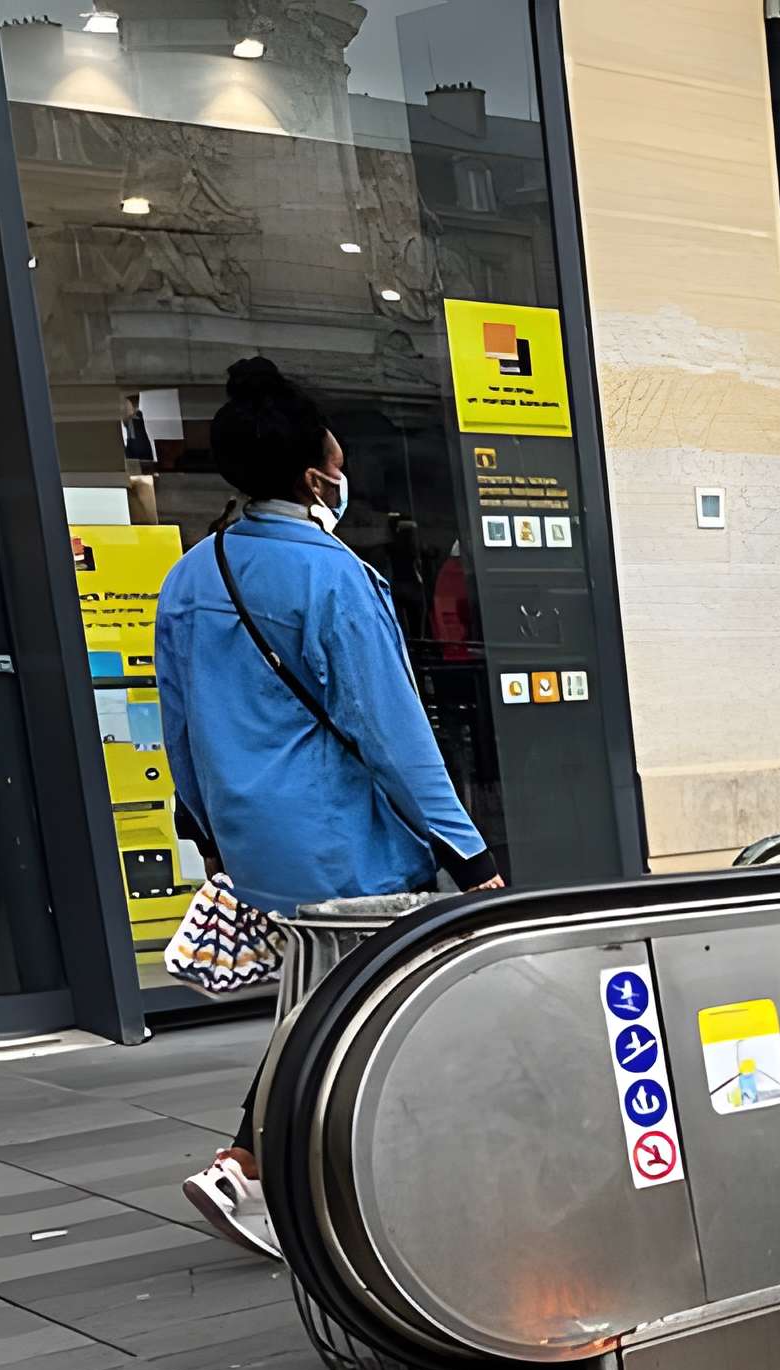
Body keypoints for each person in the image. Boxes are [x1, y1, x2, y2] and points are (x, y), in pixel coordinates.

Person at [156, 356, 498, 1259]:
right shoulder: (336, 580)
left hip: (253, 839)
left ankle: (269, 1166)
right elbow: (390, 731)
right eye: (339, 460)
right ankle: (267, 1170)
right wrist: (468, 853)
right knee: (352, 1011)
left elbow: (180, 726)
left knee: (318, 1005)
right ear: (317, 476)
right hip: (345, 841)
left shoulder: (191, 577)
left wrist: (209, 833)